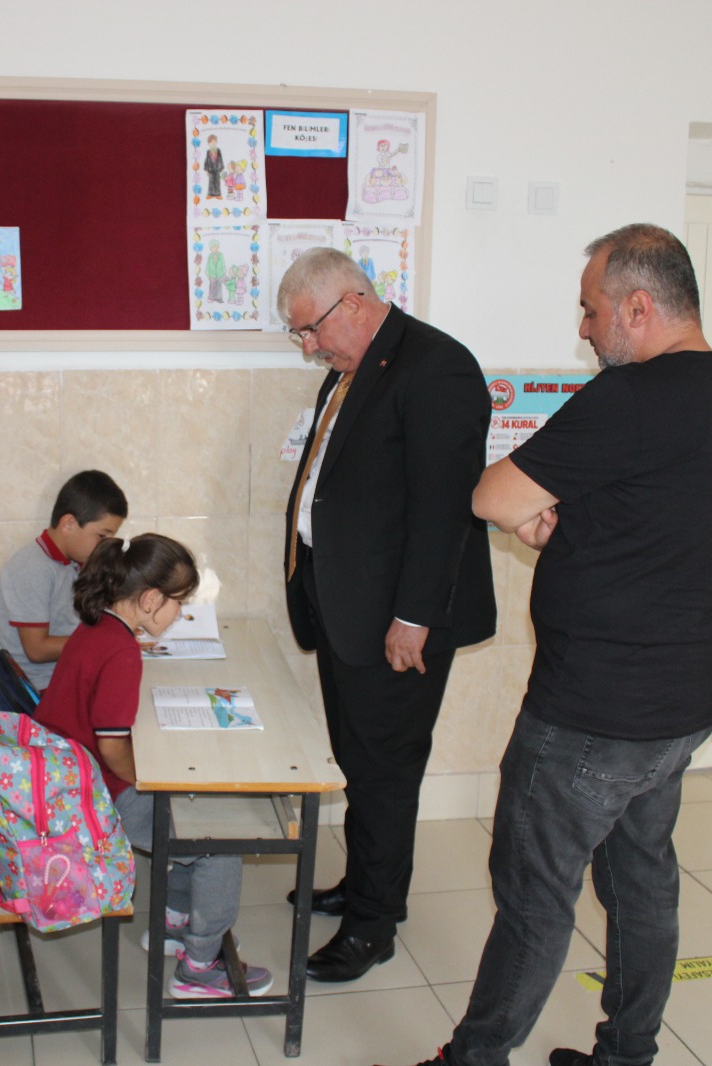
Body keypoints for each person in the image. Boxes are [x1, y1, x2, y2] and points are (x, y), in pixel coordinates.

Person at [387, 224, 712, 1066]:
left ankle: (473, 1058)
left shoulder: (630, 398)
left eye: (592, 310)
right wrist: (565, 523)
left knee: (533, 894)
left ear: (639, 307)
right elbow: (654, 525)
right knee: (641, 882)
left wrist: (535, 513)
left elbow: (491, 496)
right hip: (681, 705)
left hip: (593, 712)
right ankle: (627, 1052)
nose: (585, 329)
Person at [278, 247, 497, 982]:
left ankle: (374, 923)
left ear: (353, 302)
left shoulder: (436, 367)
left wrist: (414, 617)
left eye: (311, 329)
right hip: (347, 605)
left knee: (386, 770)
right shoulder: (353, 367)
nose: (309, 348)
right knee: (359, 760)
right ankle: (362, 882)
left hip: (399, 620)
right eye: (300, 335)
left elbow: (444, 508)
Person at [31, 533, 273, 999]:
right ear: (149, 600)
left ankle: (174, 923)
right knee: (220, 841)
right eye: (178, 604)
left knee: (189, 808)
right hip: (95, 801)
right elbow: (111, 748)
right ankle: (200, 966)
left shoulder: (98, 628)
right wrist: (153, 781)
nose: (179, 614)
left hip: (71, 782)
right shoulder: (120, 652)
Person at [0, 470, 127, 691]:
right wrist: (103, 641)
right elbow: (37, 650)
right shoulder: (31, 568)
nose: (106, 545)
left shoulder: (74, 560)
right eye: (102, 536)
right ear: (68, 524)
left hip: (66, 675)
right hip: (36, 690)